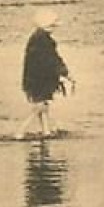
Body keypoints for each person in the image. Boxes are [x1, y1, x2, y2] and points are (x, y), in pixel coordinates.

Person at [16, 10, 74, 139]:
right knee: (40, 106)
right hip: (40, 79)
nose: (54, 28)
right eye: (53, 26)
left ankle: (46, 131)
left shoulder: (36, 38)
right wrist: (65, 73)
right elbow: (52, 60)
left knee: (44, 105)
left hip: (33, 78)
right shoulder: (44, 41)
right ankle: (21, 131)